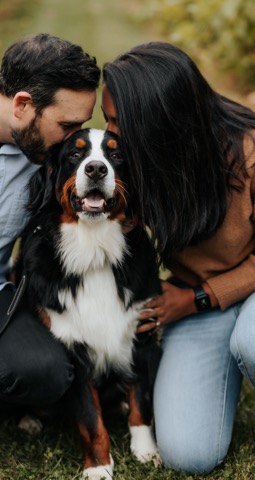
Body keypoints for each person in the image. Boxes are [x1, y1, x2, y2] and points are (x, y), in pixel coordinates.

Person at [0, 32, 100, 448]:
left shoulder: (45, 157)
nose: (73, 141)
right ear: (23, 105)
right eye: (67, 126)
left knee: (48, 373)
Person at [102, 42, 255, 474]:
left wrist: (197, 299)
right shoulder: (143, 159)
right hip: (202, 306)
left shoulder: (249, 155)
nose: (110, 133)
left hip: (210, 297)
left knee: (252, 342)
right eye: (106, 117)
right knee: (190, 454)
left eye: (118, 121)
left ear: (163, 119)